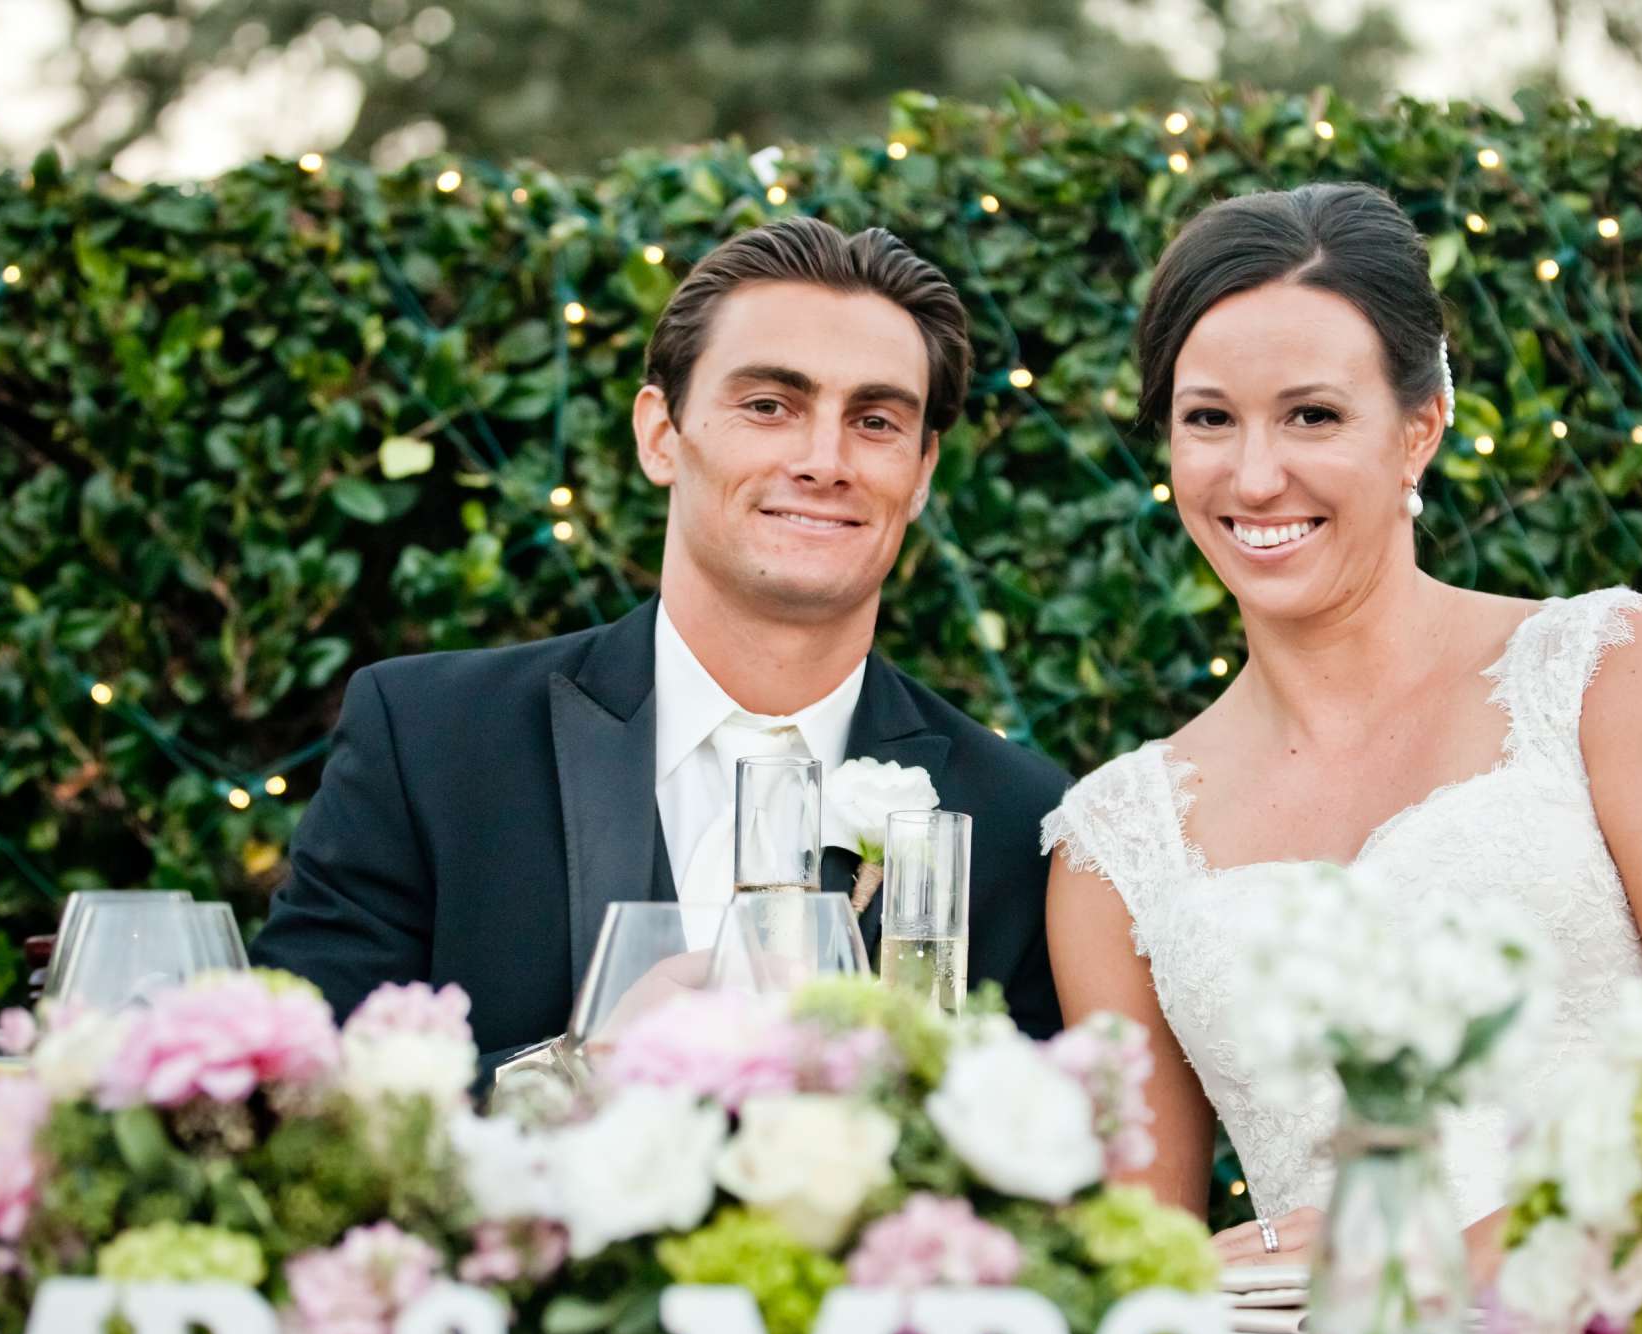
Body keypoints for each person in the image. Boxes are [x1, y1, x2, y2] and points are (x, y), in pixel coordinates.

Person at [1040, 182, 1642, 1277]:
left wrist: (1435, 1260)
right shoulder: (1115, 844)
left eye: (1313, 415)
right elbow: (1145, 1273)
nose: (1255, 474)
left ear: (1420, 429)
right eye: (1209, 419)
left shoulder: (1605, 673)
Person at [254, 218, 1070, 1081]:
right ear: (660, 434)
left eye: (874, 421)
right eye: (769, 406)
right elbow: (295, 1097)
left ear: (923, 473)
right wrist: (572, 1075)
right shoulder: (428, 741)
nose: (825, 460)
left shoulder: (1019, 819)